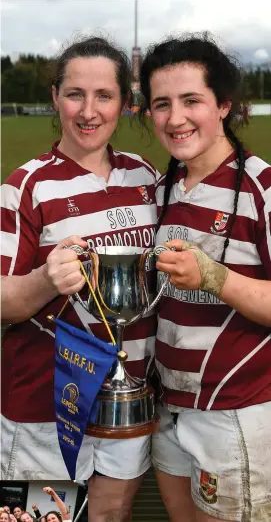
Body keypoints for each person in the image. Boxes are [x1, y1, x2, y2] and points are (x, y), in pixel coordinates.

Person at [1, 35, 158, 522]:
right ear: (55, 97)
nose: (88, 111)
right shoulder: (26, 185)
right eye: (75, 94)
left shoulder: (144, 178)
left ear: (125, 104)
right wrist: (46, 280)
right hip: (45, 405)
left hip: (126, 400)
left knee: (111, 516)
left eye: (104, 96)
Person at [139, 33, 271, 522]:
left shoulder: (262, 187)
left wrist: (216, 278)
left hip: (236, 410)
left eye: (192, 100)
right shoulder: (160, 189)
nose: (176, 119)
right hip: (167, 405)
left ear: (224, 106)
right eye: (161, 104)